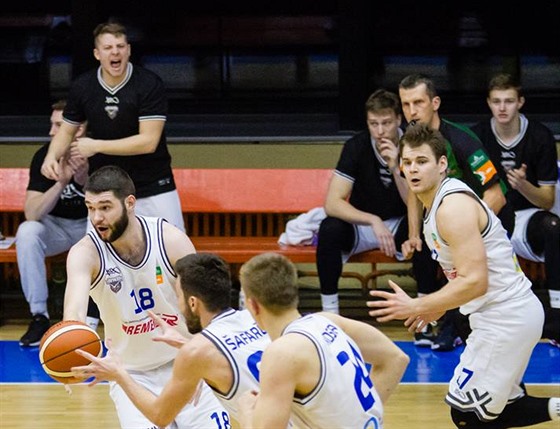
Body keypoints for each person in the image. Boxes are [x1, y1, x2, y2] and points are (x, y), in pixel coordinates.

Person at [367, 123, 560, 428]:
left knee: (468, 414)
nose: (413, 169)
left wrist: (421, 305)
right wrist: (439, 306)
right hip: (495, 316)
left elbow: (476, 280)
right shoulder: (432, 203)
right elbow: (463, 275)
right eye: (407, 163)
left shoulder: (452, 208)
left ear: (442, 165)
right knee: (499, 408)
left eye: (422, 161)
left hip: (505, 318)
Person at [62, 165, 227, 428]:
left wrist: (203, 362)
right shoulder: (85, 253)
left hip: (184, 362)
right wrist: (70, 353)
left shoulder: (170, 240)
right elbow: (74, 314)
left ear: (129, 203)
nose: (96, 218)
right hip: (132, 373)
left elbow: (203, 308)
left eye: (105, 207)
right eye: (90, 207)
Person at [72, 252, 271, 428]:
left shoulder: (197, 352)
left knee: (247, 412)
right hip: (294, 418)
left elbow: (160, 416)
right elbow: (226, 352)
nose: (177, 303)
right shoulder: (255, 319)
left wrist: (119, 374)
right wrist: (187, 343)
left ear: (193, 303)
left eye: (178, 296)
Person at [398, 73, 512, 351]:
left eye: (418, 102)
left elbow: (496, 195)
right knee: (421, 247)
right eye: (405, 104)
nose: (412, 111)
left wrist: (466, 229)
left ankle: (455, 324)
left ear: (435, 103)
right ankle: (429, 321)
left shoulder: (462, 140)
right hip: (442, 217)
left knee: (467, 271)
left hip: (486, 215)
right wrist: (415, 234)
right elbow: (415, 190)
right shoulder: (411, 142)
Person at [40, 21, 185, 232]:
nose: (114, 52)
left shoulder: (148, 83)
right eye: (108, 48)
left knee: (175, 254)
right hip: (105, 189)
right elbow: (67, 129)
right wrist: (51, 156)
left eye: (120, 46)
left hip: (153, 183)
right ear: (97, 54)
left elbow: (148, 142)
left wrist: (96, 146)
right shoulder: (83, 86)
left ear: (128, 50)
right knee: (99, 257)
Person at [237, 252, 409, 429]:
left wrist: (246, 414)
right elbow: (396, 359)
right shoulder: (329, 321)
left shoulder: (282, 353)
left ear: (254, 305)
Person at [317, 89, 439, 335]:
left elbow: (416, 202)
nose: (380, 131)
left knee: (427, 231)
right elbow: (333, 202)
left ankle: (423, 316)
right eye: (374, 124)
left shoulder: (413, 146)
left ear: (398, 120)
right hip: (364, 223)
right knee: (329, 229)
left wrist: (397, 167)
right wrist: (372, 221)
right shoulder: (356, 146)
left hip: (403, 222)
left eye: (386, 123)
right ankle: (329, 313)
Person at [471, 73, 560, 346]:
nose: (502, 108)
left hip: (528, 215)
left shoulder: (540, 136)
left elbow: (546, 200)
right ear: (488, 103)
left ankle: (557, 313)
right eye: (496, 101)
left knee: (554, 228)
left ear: (520, 102)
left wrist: (522, 186)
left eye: (509, 101)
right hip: (491, 216)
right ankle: (467, 320)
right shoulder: (477, 136)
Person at [17, 100, 99, 347]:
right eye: (52, 125)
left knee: (96, 225)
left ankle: (90, 315)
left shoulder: (97, 154)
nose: (52, 132)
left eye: (58, 125)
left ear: (79, 129)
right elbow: (32, 213)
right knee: (27, 231)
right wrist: (60, 183)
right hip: (57, 228)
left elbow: (108, 208)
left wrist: (84, 179)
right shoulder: (45, 155)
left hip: (91, 229)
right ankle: (39, 315)